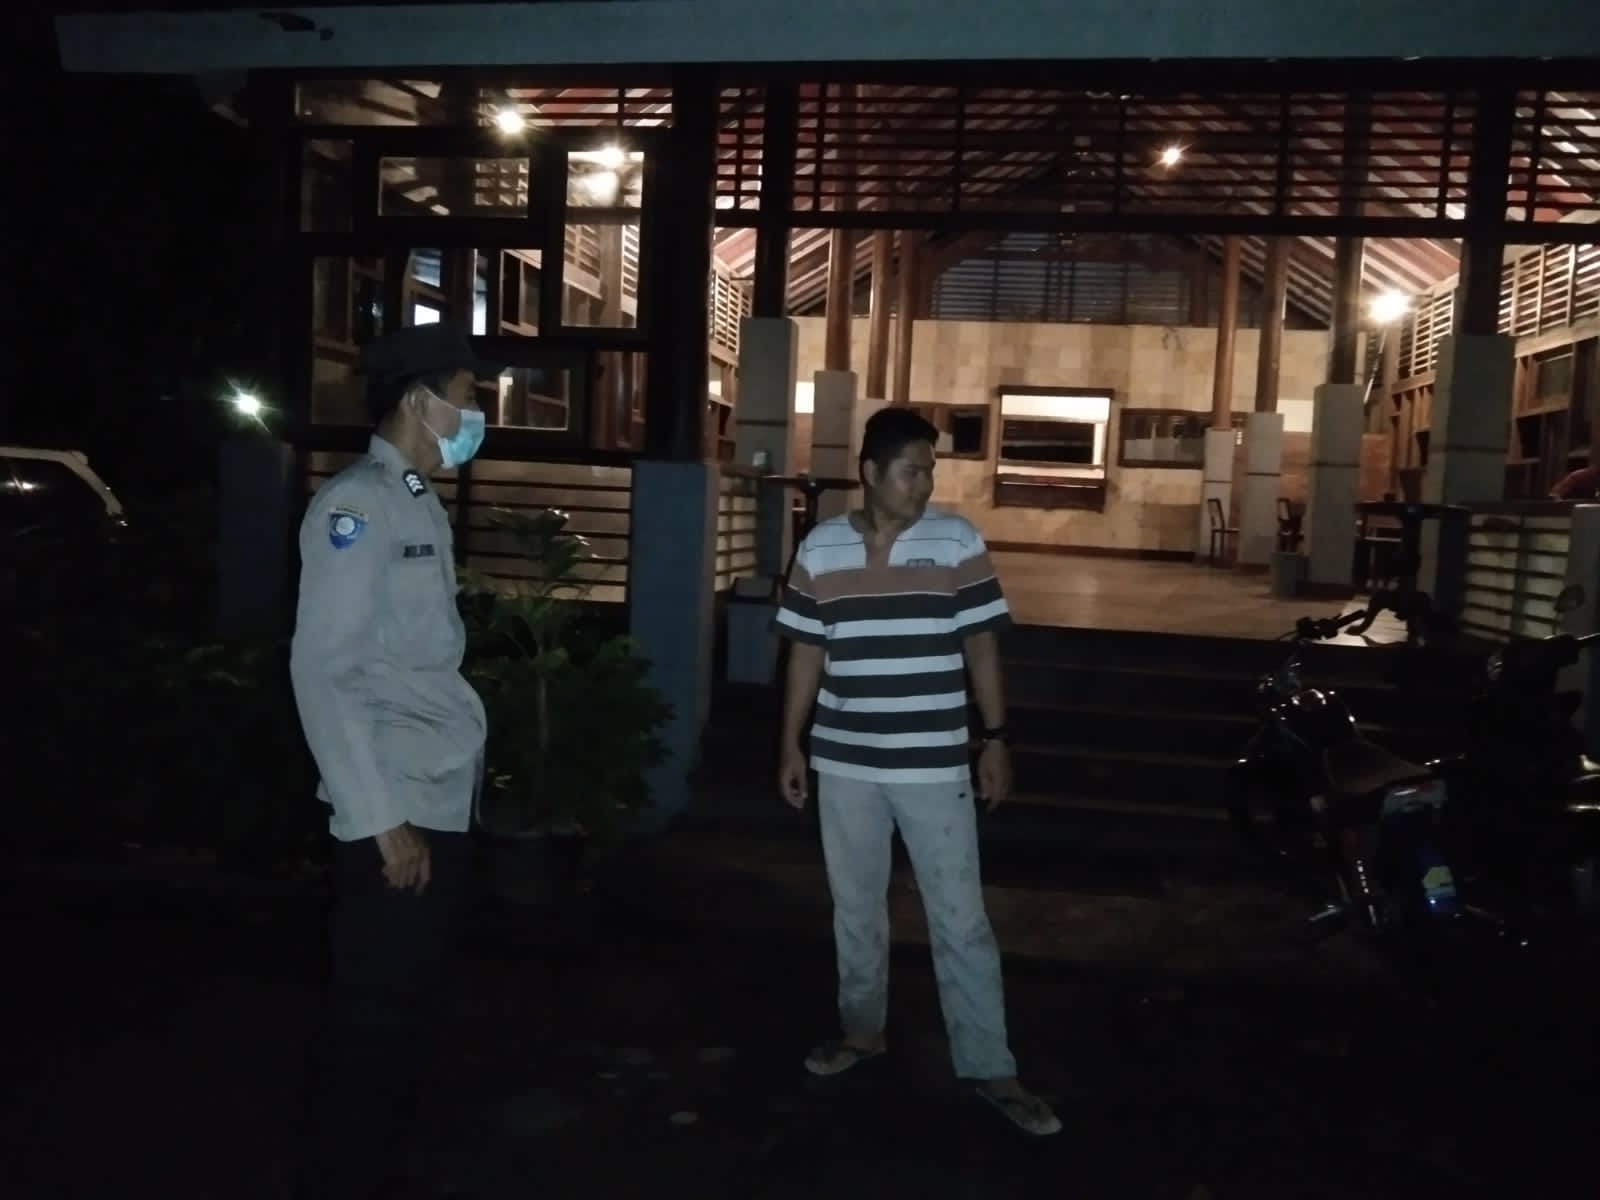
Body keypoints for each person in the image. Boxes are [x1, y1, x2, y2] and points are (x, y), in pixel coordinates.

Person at [771, 405, 1062, 1138]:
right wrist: (791, 744)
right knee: (855, 907)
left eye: (930, 471)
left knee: (959, 917)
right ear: (871, 472)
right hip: (845, 760)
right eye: (912, 471)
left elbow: (981, 645)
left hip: (933, 762)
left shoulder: (956, 539)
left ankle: (991, 1065)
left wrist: (996, 738)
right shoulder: (822, 546)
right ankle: (862, 1030)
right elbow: (805, 650)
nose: (925, 485)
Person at [290, 322, 497, 1199]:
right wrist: (380, 821)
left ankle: (382, 1164)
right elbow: (323, 670)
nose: (477, 414)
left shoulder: (415, 497)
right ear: (420, 400)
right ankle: (345, 1175)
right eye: (468, 395)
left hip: (435, 794)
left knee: (408, 1007)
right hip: (397, 807)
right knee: (373, 1018)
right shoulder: (358, 505)